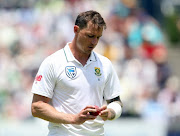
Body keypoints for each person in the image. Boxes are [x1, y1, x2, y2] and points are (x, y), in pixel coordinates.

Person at [31, 10, 123, 136]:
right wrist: (73, 119)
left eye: (98, 37)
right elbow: (37, 107)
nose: (94, 42)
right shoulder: (53, 62)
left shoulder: (104, 64)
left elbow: (116, 101)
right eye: (90, 36)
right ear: (76, 30)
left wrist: (111, 112)